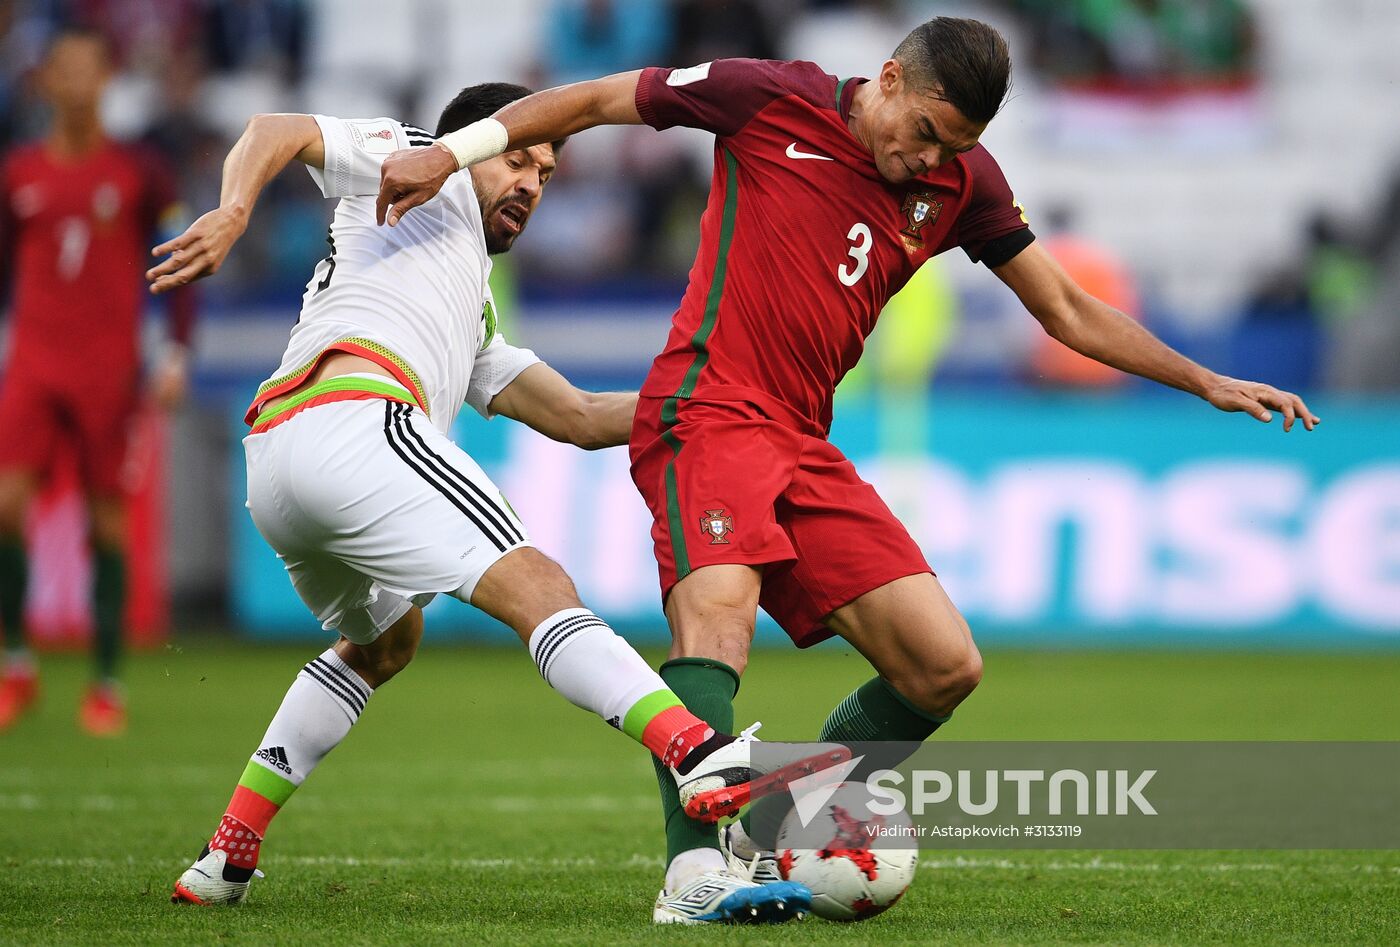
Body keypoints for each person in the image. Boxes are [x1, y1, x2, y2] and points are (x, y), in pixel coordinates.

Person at [375, 16, 1319, 926]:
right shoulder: (764, 98)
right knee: (718, 620)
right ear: (892, 79)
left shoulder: (964, 182)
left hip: (803, 437)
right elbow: (587, 101)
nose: (931, 161)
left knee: (942, 664)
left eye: (956, 147)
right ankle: (693, 876)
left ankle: (785, 813)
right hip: (709, 406)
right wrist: (453, 153)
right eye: (924, 134)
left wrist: (1204, 379)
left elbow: (1066, 309)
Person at [147, 82, 841, 921]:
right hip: (359, 423)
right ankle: (700, 752)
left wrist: (717, 406)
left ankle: (227, 852)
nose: (532, 183)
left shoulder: (467, 307)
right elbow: (274, 127)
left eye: (546, 173)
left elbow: (579, 416)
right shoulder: (412, 161)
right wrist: (232, 212)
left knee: (384, 642)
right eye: (518, 157)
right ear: (472, 143)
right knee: (538, 584)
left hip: (283, 465)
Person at [0, 28, 195, 736]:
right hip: (32, 362)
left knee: (105, 519)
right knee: (5, 505)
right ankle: (17, 665)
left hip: (108, 370)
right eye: (65, 72)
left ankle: (105, 683)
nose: (78, 84)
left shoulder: (141, 173)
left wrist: (174, 351)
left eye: (89, 71)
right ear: (46, 83)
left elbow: (181, 263)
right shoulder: (18, 173)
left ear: (106, 80)